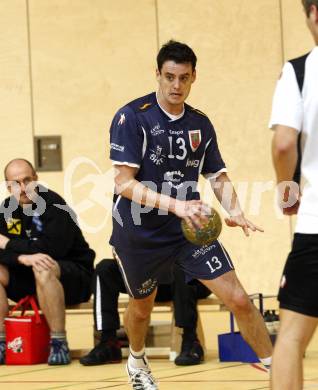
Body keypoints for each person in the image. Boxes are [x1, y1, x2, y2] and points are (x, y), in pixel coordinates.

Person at [109, 40, 273, 389]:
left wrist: (236, 211)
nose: (176, 86)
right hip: (139, 233)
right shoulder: (132, 117)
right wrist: (178, 205)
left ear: (194, 76)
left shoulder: (200, 123)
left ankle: (278, 370)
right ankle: (137, 362)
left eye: (184, 78)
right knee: (142, 308)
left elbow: (216, 175)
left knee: (239, 299)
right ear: (157, 74)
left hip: (188, 230)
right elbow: (124, 184)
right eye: (169, 77)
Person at [0, 159, 95, 365]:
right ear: (8, 187)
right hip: (30, 276)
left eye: (27, 180)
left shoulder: (54, 206)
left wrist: (9, 244)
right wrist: (20, 256)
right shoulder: (7, 209)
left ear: (36, 178)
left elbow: (52, 251)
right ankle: (2, 341)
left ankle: (59, 342)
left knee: (43, 266)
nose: (23, 188)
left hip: (73, 276)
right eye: (16, 183)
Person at [270, 1, 318, 389]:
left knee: (290, 338)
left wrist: (288, 192)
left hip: (316, 228)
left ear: (314, 13)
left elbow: (284, 143)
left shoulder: (300, 71)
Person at [79, 259, 210, 366]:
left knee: (181, 264)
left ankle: (191, 340)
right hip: (145, 279)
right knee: (104, 268)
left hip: (185, 278)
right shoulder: (132, 226)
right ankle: (108, 342)